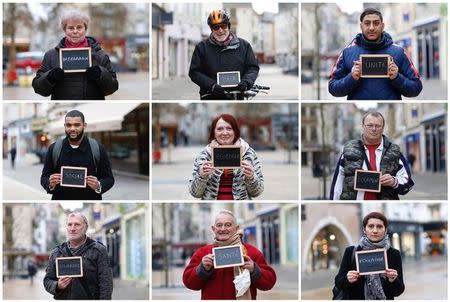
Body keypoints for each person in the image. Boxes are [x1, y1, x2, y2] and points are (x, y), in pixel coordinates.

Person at [328, 7, 422, 100]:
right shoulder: (347, 52)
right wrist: (351, 77)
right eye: (367, 23)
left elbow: (416, 88)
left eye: (376, 23)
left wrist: (397, 77)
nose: (371, 28)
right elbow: (332, 88)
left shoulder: (399, 52)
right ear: (361, 26)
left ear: (382, 26)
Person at [183, 210, 276, 299]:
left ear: (236, 228)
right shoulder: (202, 253)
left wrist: (254, 270)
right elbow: (189, 283)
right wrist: (202, 269)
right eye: (219, 225)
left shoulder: (252, 252)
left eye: (228, 225)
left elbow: (269, 283)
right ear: (213, 228)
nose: (223, 229)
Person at [32, 10, 118, 100]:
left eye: (79, 27)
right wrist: (49, 77)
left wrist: (100, 74)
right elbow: (38, 89)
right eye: (71, 28)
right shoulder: (51, 56)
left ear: (85, 29)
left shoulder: (100, 55)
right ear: (64, 30)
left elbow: (112, 88)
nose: (75, 31)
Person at [330, 111, 413, 200]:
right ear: (363, 126)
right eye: (370, 125)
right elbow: (337, 186)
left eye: (378, 126)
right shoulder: (349, 150)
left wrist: (394, 181)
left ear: (383, 128)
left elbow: (407, 183)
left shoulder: (394, 151)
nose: (374, 129)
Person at [40, 110, 114, 200]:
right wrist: (50, 183)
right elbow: (44, 177)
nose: (72, 129)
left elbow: (109, 179)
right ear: (64, 126)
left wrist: (98, 185)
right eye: (68, 125)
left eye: (77, 125)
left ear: (84, 126)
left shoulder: (97, 148)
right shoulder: (54, 148)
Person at [189, 114, 264, 200]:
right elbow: (195, 193)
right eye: (220, 129)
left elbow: (257, 192)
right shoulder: (204, 156)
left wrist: (251, 177)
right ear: (214, 132)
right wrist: (201, 176)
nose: (225, 133)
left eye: (229, 128)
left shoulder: (248, 154)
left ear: (235, 131)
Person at [189, 9, 259, 100]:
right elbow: (194, 72)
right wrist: (212, 85)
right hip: (211, 96)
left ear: (229, 26)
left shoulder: (244, 46)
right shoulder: (201, 47)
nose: (220, 30)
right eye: (216, 27)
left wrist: (246, 82)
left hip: (237, 96)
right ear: (211, 29)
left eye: (223, 26)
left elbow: (252, 68)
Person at [334, 212, 404, 299]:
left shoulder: (394, 254)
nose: (375, 231)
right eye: (370, 226)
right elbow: (338, 282)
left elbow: (399, 291)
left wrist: (393, 280)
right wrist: (348, 279)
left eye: (379, 226)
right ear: (364, 229)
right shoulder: (351, 251)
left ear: (385, 230)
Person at [44, 212, 113, 299]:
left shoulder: (98, 250)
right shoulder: (57, 252)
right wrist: (57, 285)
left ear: (86, 227)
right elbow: (47, 281)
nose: (72, 228)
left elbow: (106, 285)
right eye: (69, 225)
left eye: (77, 224)